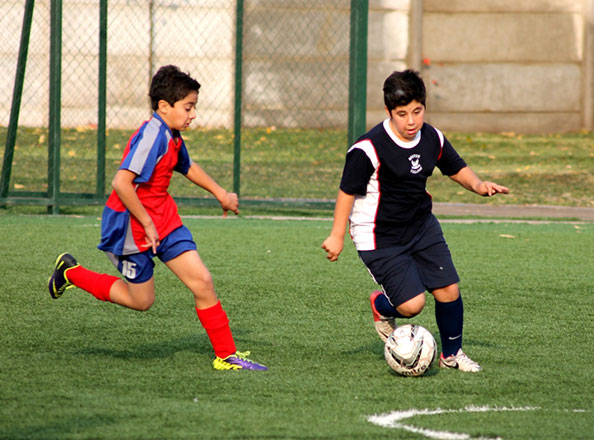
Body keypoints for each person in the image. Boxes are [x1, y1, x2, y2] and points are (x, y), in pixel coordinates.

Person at [48, 65, 267, 371]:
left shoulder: (172, 135)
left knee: (202, 280)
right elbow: (121, 183)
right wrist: (147, 223)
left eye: (194, 107)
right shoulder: (152, 136)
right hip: (129, 226)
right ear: (164, 106)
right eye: (188, 107)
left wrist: (220, 193)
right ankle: (71, 274)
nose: (193, 115)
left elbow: (186, 166)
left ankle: (226, 355)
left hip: (164, 220)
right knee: (142, 301)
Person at [321, 69, 508, 372]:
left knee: (448, 288)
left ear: (424, 106)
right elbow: (347, 192)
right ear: (388, 112)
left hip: (421, 225)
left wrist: (478, 185)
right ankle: (381, 306)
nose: (411, 121)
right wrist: (337, 236)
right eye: (402, 113)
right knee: (412, 306)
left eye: (417, 111)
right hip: (379, 236)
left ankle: (452, 355)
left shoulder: (431, 137)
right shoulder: (368, 148)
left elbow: (454, 166)